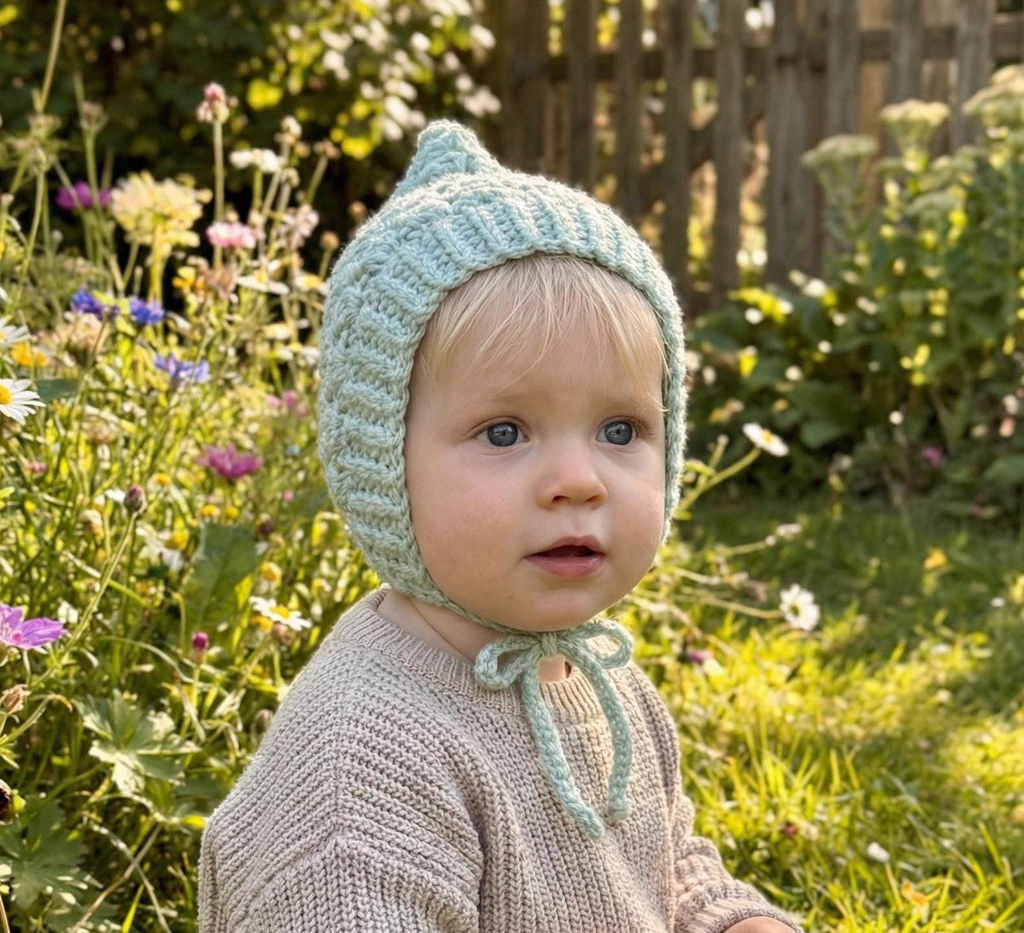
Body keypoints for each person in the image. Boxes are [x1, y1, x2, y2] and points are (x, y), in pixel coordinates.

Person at [197, 120, 805, 933]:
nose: (578, 481)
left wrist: (729, 921)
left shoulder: (595, 676)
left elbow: (665, 864)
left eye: (620, 431)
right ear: (379, 457)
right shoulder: (363, 761)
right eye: (505, 432)